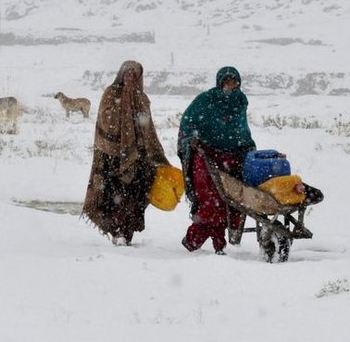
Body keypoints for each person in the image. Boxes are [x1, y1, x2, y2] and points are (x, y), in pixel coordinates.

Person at [83, 60, 174, 246]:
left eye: (133, 75)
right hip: (112, 156)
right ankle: (117, 231)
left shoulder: (141, 98)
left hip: (137, 158)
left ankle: (127, 231)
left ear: (139, 78)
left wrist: (154, 154)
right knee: (115, 196)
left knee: (134, 196)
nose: (129, 78)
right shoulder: (111, 93)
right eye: (126, 74)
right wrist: (123, 107)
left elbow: (148, 130)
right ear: (120, 74)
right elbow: (104, 119)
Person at [178, 66, 256, 255]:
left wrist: (248, 147)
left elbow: (241, 129)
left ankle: (218, 244)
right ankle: (193, 241)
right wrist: (193, 139)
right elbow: (188, 122)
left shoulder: (240, 101)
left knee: (232, 199)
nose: (230, 86)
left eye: (234, 82)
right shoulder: (206, 100)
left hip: (233, 155)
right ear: (220, 82)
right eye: (227, 82)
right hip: (206, 155)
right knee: (210, 201)